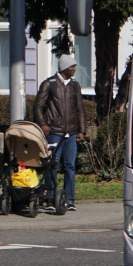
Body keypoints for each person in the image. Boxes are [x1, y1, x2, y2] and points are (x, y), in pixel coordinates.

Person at [35, 54, 85, 212]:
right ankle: (50, 199)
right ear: (64, 68)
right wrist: (43, 124)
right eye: (71, 66)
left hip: (71, 133)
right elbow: (38, 106)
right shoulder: (49, 84)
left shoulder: (75, 85)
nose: (74, 69)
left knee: (70, 166)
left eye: (74, 66)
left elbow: (80, 109)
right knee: (53, 165)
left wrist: (81, 130)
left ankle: (69, 200)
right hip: (54, 132)